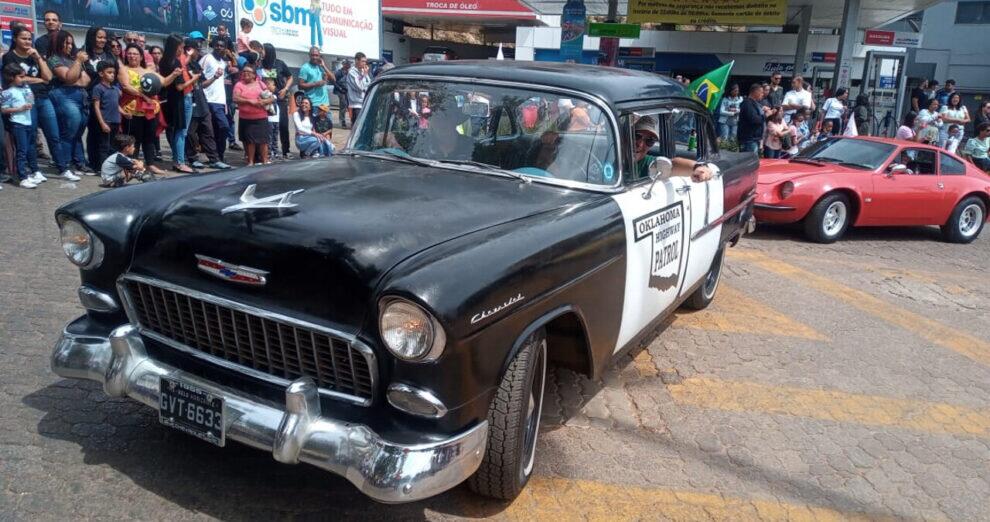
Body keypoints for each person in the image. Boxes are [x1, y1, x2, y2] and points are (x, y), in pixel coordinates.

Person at [2, 27, 63, 181]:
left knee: (54, 134)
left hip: (43, 97)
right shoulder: (9, 57)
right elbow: (17, 80)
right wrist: (39, 79)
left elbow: (48, 77)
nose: (28, 42)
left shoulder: (35, 56)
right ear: (15, 39)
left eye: (29, 39)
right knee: (30, 136)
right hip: (26, 101)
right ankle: (34, 170)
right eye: (24, 38)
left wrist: (38, 59)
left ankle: (63, 167)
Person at [118, 43, 180, 167]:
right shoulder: (123, 69)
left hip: (150, 110)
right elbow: (126, 86)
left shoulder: (148, 71)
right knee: (133, 139)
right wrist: (144, 96)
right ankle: (132, 165)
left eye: (135, 54)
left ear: (141, 57)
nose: (132, 56)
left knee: (149, 138)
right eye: (129, 53)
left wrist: (174, 74)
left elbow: (163, 82)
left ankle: (150, 164)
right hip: (132, 109)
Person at [47, 30, 90, 178]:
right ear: (59, 43)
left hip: (80, 95)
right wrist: (78, 62)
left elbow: (85, 81)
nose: (70, 46)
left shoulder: (71, 60)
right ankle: (64, 165)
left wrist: (74, 71)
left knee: (78, 132)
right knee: (68, 131)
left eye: (71, 43)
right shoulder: (53, 59)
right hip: (64, 94)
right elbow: (69, 78)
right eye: (67, 43)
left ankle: (78, 162)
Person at [183, 40, 230, 170]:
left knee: (208, 131)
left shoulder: (195, 66)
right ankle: (192, 158)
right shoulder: (184, 64)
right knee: (191, 132)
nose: (198, 52)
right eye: (196, 49)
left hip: (202, 101)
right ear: (188, 50)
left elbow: (203, 84)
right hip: (190, 102)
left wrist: (215, 77)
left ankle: (214, 159)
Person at [631, 116, 714, 182]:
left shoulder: (647, 163)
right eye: (636, 136)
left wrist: (698, 168)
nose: (640, 144)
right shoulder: (617, 159)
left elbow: (672, 165)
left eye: (650, 141)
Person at [160, 35, 199, 173]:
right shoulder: (174, 63)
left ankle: (178, 161)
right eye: (180, 48)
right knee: (181, 131)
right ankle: (180, 162)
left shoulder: (163, 61)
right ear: (174, 47)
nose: (181, 50)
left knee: (177, 130)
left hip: (171, 99)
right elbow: (180, 87)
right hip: (181, 98)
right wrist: (194, 78)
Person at [83, 26, 116, 172]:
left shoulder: (110, 56)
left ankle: (107, 164)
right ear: (92, 37)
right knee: (94, 131)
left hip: (109, 97)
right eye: (99, 37)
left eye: (104, 37)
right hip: (92, 97)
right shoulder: (84, 55)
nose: (102, 40)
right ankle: (94, 163)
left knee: (108, 137)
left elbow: (117, 75)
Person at [2, 63, 38, 188]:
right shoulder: (7, 92)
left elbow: (30, 101)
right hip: (18, 123)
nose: (23, 79)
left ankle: (25, 174)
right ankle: (22, 177)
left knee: (27, 149)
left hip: (28, 122)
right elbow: (4, 109)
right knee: (21, 151)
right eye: (21, 77)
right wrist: (19, 108)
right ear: (12, 77)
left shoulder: (25, 88)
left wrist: (29, 99)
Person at [200, 38, 234, 164]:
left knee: (223, 128)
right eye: (217, 45)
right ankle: (214, 156)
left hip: (220, 101)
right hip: (208, 100)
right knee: (215, 129)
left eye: (222, 46)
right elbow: (199, 77)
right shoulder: (207, 58)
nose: (219, 47)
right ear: (213, 46)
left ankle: (219, 155)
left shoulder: (223, 63)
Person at [232, 65, 273, 166]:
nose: (246, 73)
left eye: (248, 72)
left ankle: (265, 160)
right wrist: (250, 102)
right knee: (250, 142)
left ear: (254, 75)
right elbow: (236, 98)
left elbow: (271, 97)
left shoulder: (260, 83)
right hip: (246, 118)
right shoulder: (239, 84)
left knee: (263, 141)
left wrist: (264, 101)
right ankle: (250, 162)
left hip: (261, 117)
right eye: (244, 71)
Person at [260, 43, 294, 159]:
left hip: (280, 98)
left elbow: (290, 77)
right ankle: (269, 152)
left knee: (283, 125)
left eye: (263, 50)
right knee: (269, 127)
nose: (261, 53)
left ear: (269, 51)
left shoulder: (279, 63)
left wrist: (285, 89)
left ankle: (286, 150)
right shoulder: (259, 64)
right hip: (266, 100)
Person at [90, 61, 121, 171]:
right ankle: (103, 168)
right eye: (109, 72)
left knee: (113, 146)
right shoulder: (98, 88)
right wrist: (102, 123)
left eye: (113, 72)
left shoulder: (115, 89)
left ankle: (111, 166)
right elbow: (96, 107)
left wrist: (124, 113)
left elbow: (116, 105)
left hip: (115, 121)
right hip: (106, 121)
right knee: (104, 146)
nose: (112, 74)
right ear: (101, 74)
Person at [298, 46, 332, 118]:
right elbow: (300, 85)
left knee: (328, 127)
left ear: (319, 56)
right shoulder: (305, 67)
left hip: (325, 104)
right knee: (314, 128)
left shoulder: (321, 67)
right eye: (312, 55)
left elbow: (333, 79)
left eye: (316, 55)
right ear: (309, 55)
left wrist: (324, 66)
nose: (314, 57)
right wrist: (315, 84)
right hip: (313, 104)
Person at [737, 83, 766, 154]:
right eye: (761, 92)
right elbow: (754, 119)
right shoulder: (747, 103)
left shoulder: (754, 103)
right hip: (748, 140)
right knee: (750, 163)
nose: (763, 94)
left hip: (754, 139)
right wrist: (766, 115)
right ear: (756, 92)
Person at [347, 52, 372, 122]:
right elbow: (360, 87)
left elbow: (369, 84)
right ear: (356, 61)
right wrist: (364, 75)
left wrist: (364, 75)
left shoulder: (363, 71)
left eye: (365, 61)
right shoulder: (352, 72)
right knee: (357, 127)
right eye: (362, 61)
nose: (364, 63)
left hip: (364, 103)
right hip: (356, 105)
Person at [264, 77, 281, 162]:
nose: (274, 86)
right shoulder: (266, 94)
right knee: (270, 137)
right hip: (270, 120)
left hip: (276, 120)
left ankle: (275, 152)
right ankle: (269, 153)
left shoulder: (274, 94)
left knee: (275, 136)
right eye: (273, 85)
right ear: (267, 85)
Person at [334, 60, 351, 128]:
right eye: (347, 64)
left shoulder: (349, 72)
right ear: (344, 65)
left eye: (349, 64)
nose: (349, 66)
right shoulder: (339, 72)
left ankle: (351, 120)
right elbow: (334, 81)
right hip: (340, 91)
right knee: (343, 105)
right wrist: (340, 88)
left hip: (347, 91)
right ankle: (342, 121)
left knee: (348, 106)